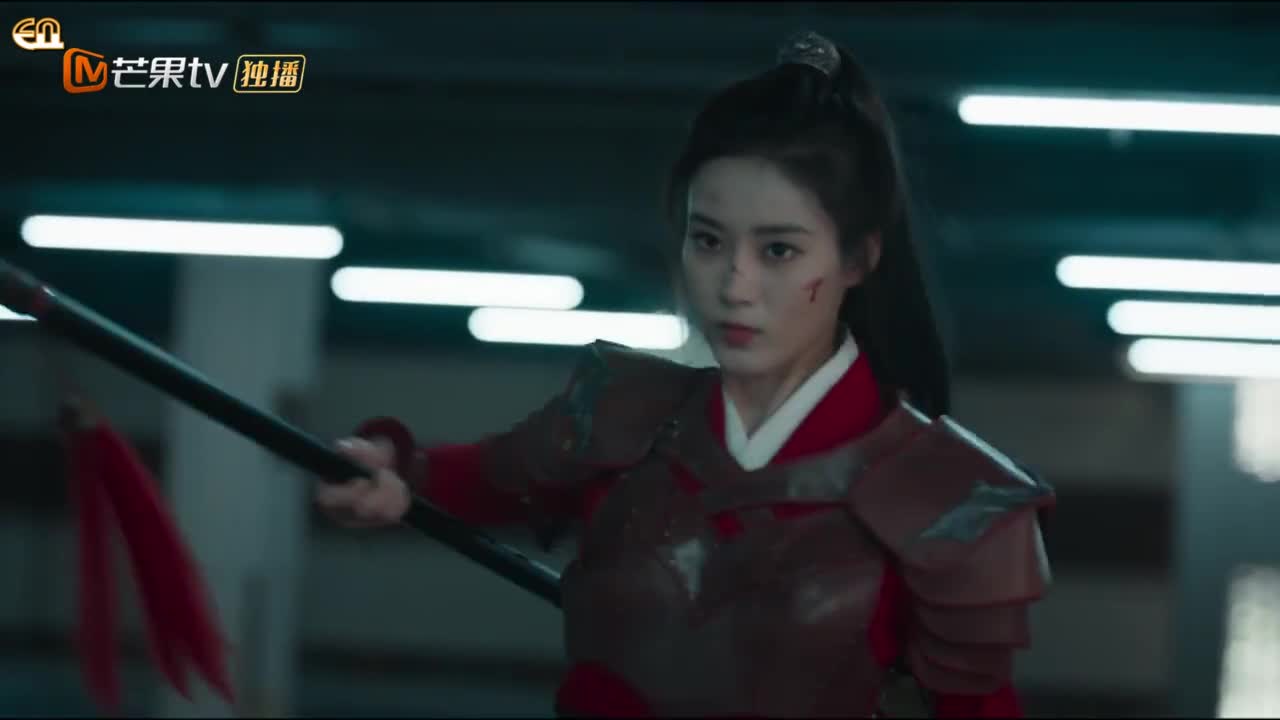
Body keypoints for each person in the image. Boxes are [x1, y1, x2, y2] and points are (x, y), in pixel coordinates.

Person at [316, 30, 1055, 719]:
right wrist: (390, 472)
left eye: (778, 251)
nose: (734, 285)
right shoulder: (620, 416)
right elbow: (459, 478)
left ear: (858, 259)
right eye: (708, 241)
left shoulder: (946, 495)